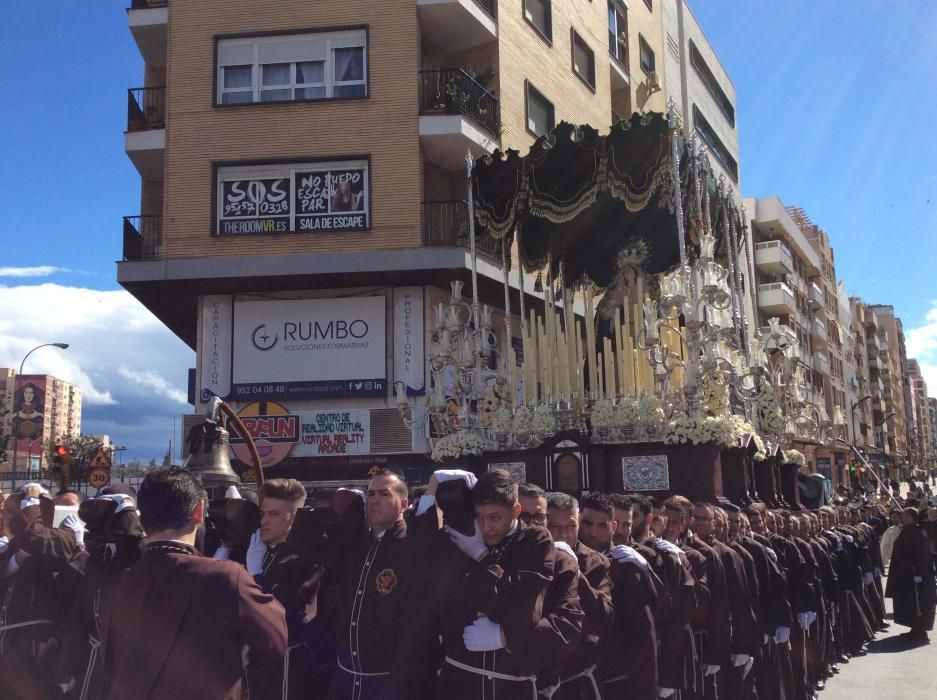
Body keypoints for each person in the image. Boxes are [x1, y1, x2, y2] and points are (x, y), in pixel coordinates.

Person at [98, 468, 287, 699]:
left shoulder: (120, 581)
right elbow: (275, 640)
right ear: (198, 512)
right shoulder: (225, 578)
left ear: (143, 518)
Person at [328, 470, 414, 700]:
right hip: (346, 675)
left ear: (404, 503)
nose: (374, 500)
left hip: (388, 680)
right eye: (370, 493)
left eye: (384, 494)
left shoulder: (411, 548)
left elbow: (416, 624)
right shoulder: (357, 544)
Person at [885, 507, 936, 644]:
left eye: (904, 515)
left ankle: (920, 631)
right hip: (905, 575)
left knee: (917, 603)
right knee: (909, 604)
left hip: (915, 576)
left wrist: (919, 573)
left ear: (910, 517)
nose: (901, 517)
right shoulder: (907, 530)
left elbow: (923, 555)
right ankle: (915, 629)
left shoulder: (918, 532)